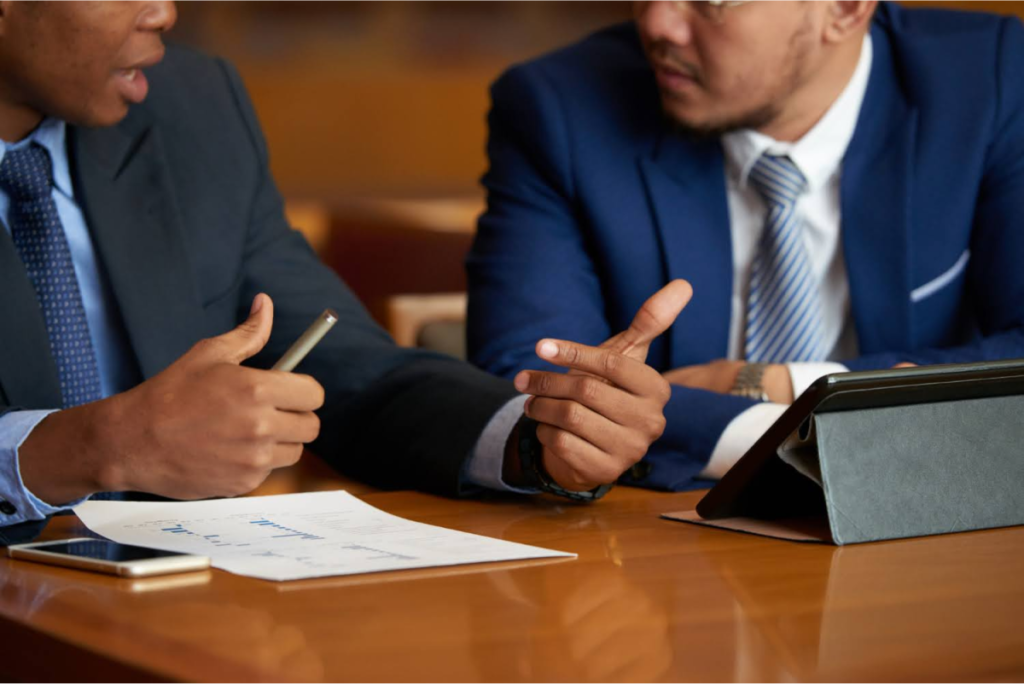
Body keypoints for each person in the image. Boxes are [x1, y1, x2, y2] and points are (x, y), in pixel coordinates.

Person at [0, 0, 693, 546]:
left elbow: (353, 370)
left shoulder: (190, 104)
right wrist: (95, 446)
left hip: (183, 607)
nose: (164, 11)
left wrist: (538, 438)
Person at [467, 0, 1024, 491]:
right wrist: (801, 439)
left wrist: (776, 384)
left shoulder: (991, 79)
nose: (656, 21)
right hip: (659, 547)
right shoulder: (559, 107)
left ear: (847, 9)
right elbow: (529, 383)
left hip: (927, 528)